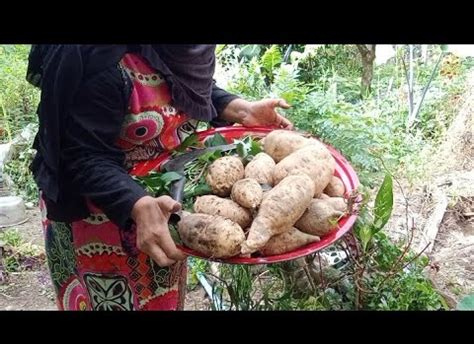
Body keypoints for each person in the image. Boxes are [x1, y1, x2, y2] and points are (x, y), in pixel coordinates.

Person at [26, 45, 293, 310]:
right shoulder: (98, 58)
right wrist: (136, 203)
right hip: (97, 217)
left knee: (160, 299)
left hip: (163, 206)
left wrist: (239, 109)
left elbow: (186, 86)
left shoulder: (183, 50)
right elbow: (81, 154)